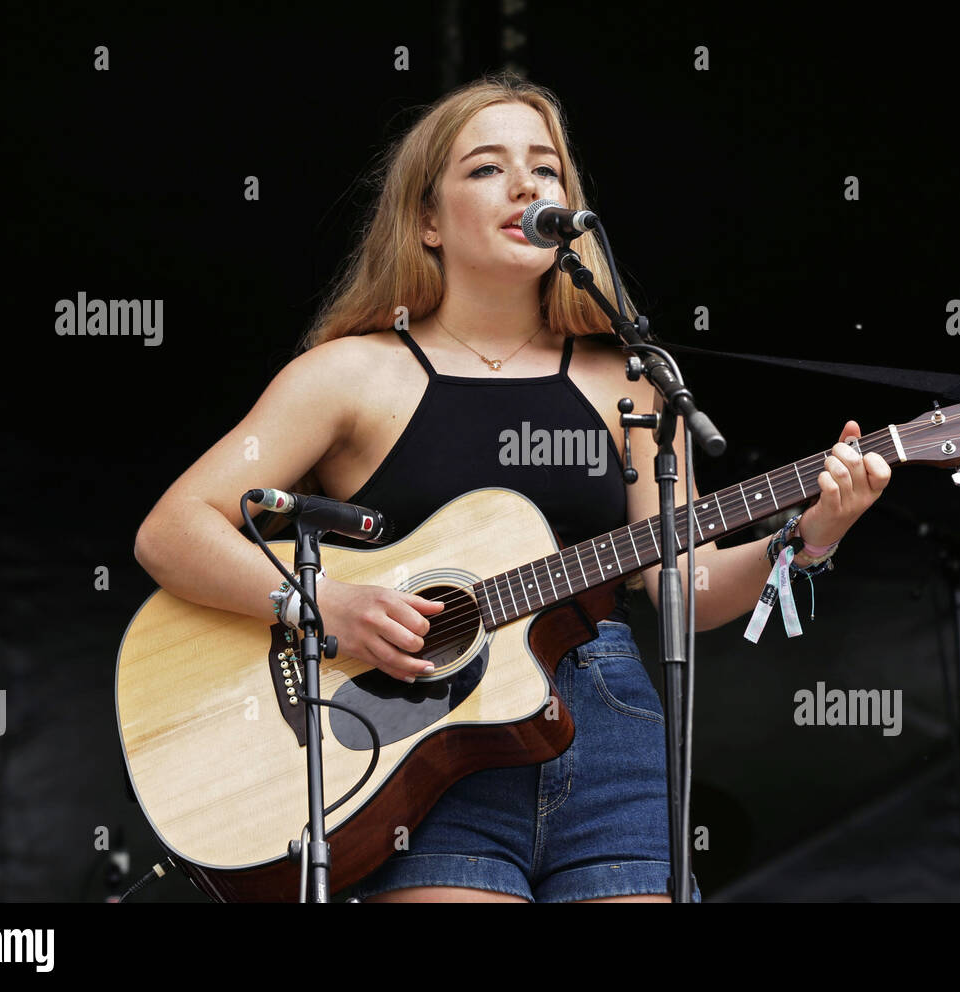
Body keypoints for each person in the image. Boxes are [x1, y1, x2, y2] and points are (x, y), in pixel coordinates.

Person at [133, 72, 891, 903]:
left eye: (547, 168)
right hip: (417, 746)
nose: (528, 184)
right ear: (426, 221)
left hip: (609, 729)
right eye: (487, 167)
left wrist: (810, 536)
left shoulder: (629, 384)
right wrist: (327, 607)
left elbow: (690, 586)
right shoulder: (349, 375)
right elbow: (173, 529)